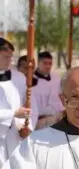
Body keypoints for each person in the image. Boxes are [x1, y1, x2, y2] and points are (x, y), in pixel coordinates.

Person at [0, 38, 38, 168]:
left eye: (11, 57)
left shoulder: (19, 78)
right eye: (6, 57)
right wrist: (13, 113)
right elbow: (16, 111)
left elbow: (28, 106)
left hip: (14, 137)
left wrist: (25, 126)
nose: (10, 61)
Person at [17, 56, 64, 129]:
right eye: (25, 68)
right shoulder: (11, 84)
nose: (28, 71)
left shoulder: (38, 83)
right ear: (18, 68)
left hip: (35, 120)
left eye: (31, 68)